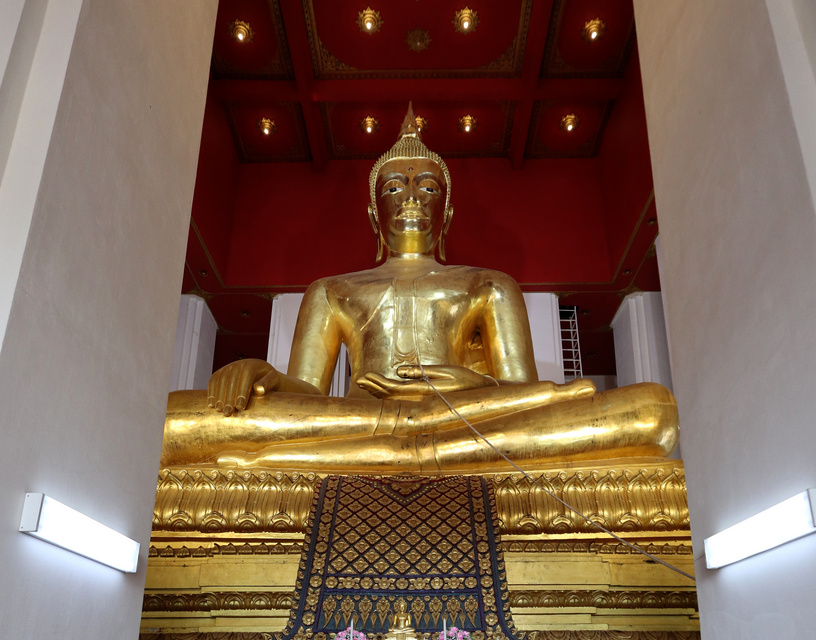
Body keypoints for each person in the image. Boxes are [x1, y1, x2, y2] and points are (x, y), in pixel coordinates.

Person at [161, 106, 679, 473]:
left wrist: (464, 383)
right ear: (373, 211)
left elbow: (522, 396)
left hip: (463, 419)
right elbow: (310, 396)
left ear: (447, 211)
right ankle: (408, 453)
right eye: (395, 186)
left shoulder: (488, 284)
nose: (412, 196)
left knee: (653, 409)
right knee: (173, 421)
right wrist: (262, 374)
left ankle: (397, 454)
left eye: (428, 186)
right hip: (361, 420)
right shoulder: (333, 289)